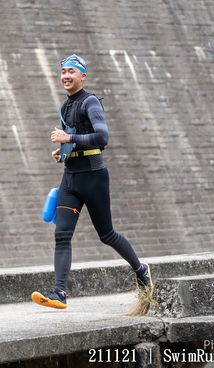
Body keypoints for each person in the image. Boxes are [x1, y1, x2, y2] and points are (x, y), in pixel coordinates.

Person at [31, 54, 152, 309]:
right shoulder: (65, 107)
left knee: (107, 235)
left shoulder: (91, 102)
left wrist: (68, 139)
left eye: (71, 71)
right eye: (63, 71)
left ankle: (141, 270)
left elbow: (102, 137)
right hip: (70, 179)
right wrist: (64, 150)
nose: (66, 76)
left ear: (82, 76)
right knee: (62, 234)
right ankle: (59, 292)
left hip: (93, 178)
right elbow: (76, 138)